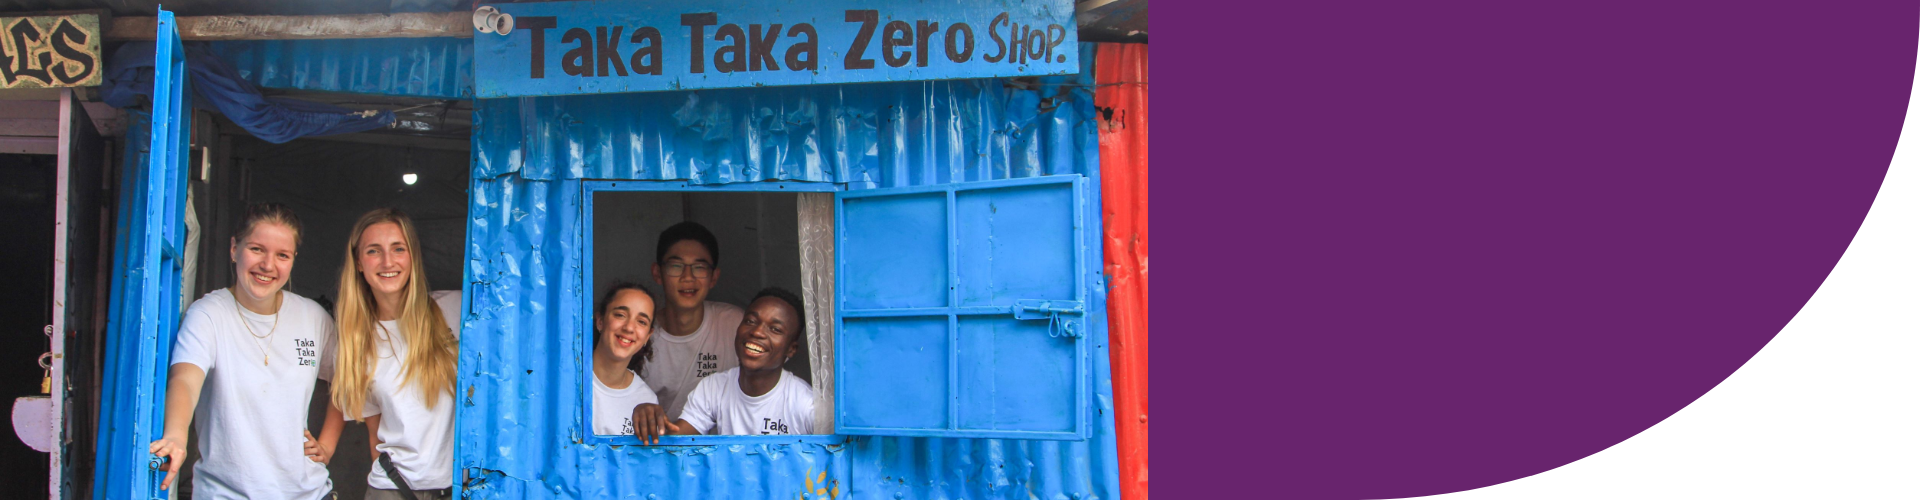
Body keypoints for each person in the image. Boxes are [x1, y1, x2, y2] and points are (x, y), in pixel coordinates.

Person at [148, 202, 342, 498]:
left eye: (282, 255)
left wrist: (327, 445)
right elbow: (185, 379)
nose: (268, 265)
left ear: (293, 260)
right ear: (234, 249)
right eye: (257, 249)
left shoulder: (313, 318)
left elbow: (348, 380)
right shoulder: (208, 315)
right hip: (227, 493)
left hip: (309, 492)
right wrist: (176, 434)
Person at [331, 208, 461, 500]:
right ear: (359, 263)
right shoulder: (354, 342)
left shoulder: (456, 309)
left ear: (412, 256)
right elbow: (375, 434)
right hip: (393, 490)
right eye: (374, 251)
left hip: (462, 488)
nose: (388, 262)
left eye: (398, 249)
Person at [631, 288, 813, 441]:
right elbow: (677, 442)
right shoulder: (714, 388)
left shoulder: (805, 404)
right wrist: (651, 418)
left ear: (791, 349)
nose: (757, 332)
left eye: (775, 329)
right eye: (751, 321)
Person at [638, 221, 745, 420]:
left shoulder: (735, 324)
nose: (688, 277)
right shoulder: (639, 334)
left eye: (699, 267)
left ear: (714, 277)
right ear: (657, 273)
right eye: (676, 266)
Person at [590, 282, 661, 435]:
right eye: (620, 315)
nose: (629, 327)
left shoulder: (646, 400)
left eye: (641, 322)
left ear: (647, 336)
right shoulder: (568, 376)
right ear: (600, 321)